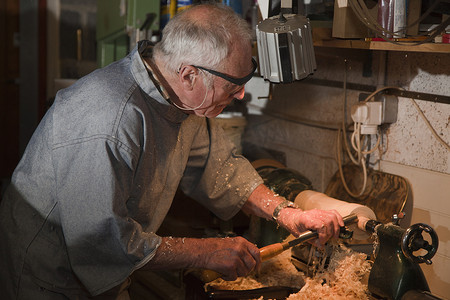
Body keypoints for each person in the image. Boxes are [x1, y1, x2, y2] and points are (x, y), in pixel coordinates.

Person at [0, 3, 344, 299]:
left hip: (113, 269)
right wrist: (204, 252)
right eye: (233, 85)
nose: (241, 95)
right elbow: (101, 239)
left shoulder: (180, 98)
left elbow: (220, 168)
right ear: (190, 74)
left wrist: (287, 213)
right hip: (50, 278)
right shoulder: (107, 118)